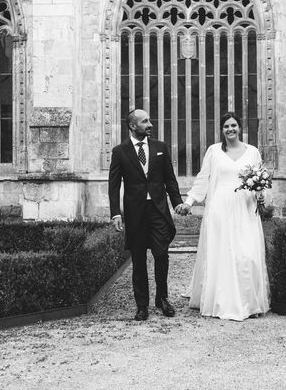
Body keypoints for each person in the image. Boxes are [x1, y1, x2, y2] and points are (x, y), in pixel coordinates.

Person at [178, 112, 270, 321]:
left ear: (240, 128)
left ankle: (249, 302)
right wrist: (189, 201)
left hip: (245, 208)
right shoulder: (214, 151)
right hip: (220, 208)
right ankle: (221, 301)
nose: (230, 129)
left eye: (233, 125)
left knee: (247, 254)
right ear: (222, 130)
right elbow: (203, 179)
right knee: (222, 254)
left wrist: (262, 195)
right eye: (226, 126)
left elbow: (261, 179)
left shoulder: (252, 151)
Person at [108, 108, 187, 321]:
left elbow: (170, 179)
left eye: (149, 120)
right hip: (135, 214)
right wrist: (116, 214)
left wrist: (177, 202)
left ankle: (162, 299)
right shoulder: (120, 151)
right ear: (133, 126)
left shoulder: (160, 147)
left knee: (161, 255)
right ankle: (141, 305)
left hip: (158, 211)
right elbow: (114, 186)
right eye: (145, 121)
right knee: (139, 259)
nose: (150, 124)